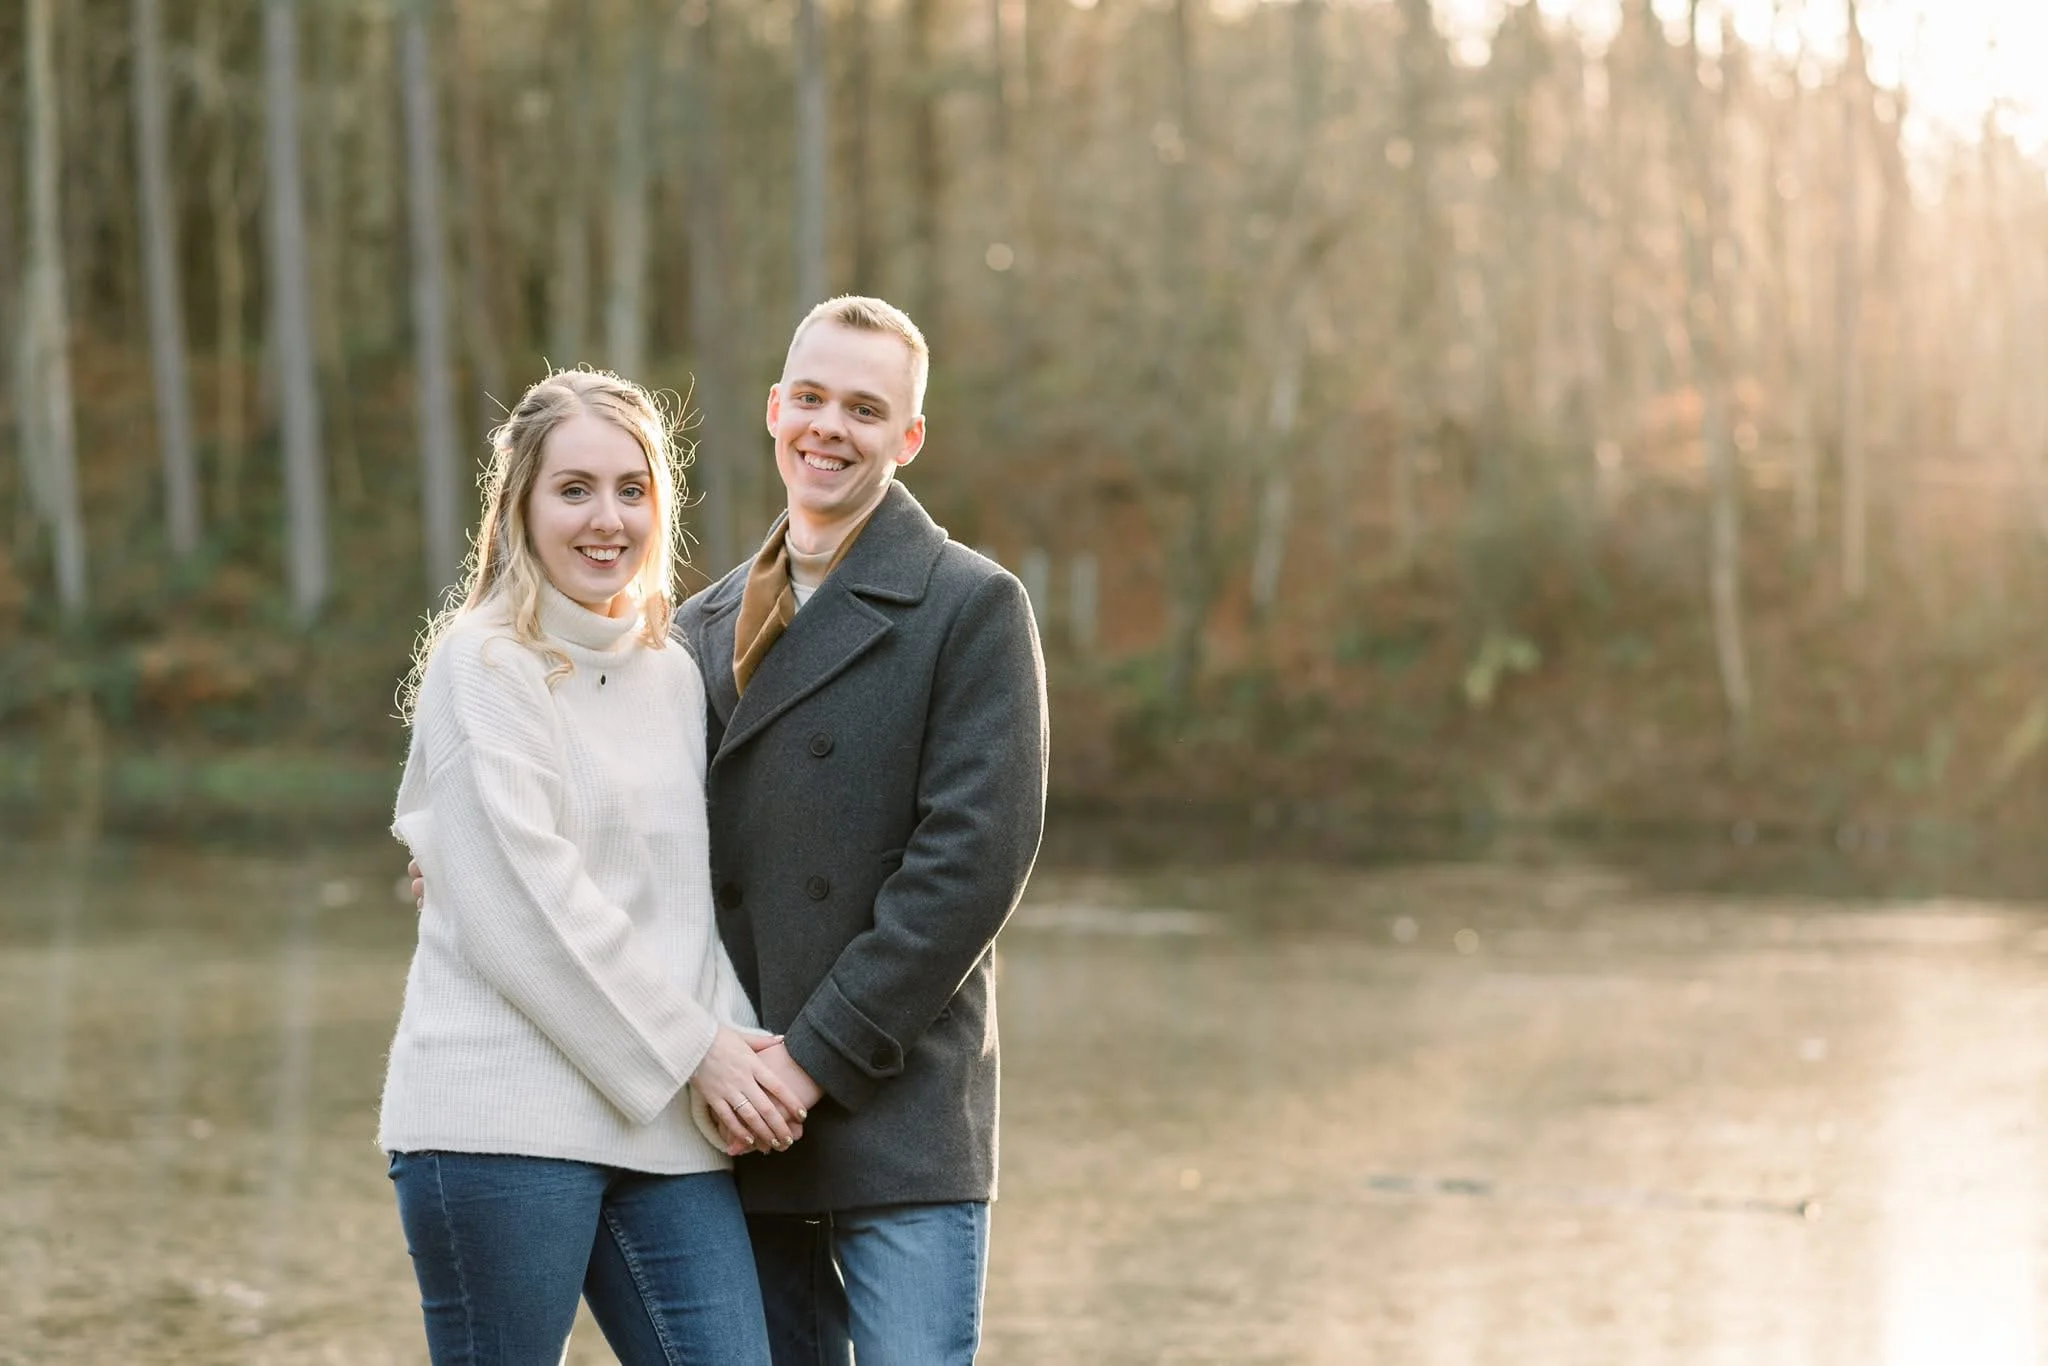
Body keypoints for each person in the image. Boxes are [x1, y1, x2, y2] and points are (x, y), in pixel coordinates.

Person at [381, 367, 808, 1365]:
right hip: (500, 1117)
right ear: (520, 505)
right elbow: (530, 906)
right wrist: (699, 1049)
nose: (604, 518)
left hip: (663, 1126)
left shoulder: (672, 674)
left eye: (631, 488)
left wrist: (739, 1054)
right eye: (572, 489)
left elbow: (688, 899)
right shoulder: (481, 666)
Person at [674, 296, 1049, 1365]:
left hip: (898, 1111)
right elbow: (634, 830)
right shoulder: (697, 626)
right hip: (738, 1117)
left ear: (908, 436)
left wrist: (811, 1061)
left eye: (863, 408)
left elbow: (969, 869)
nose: (828, 427)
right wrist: (460, 848)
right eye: (811, 399)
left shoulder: (971, 605)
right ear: (772, 409)